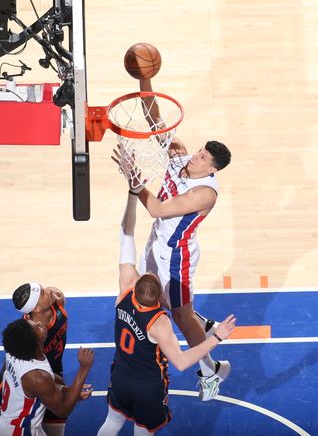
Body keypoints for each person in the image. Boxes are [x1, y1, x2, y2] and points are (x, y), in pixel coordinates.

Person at [117, 75, 232, 401]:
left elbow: (155, 208)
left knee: (179, 316)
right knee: (155, 299)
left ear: (212, 170)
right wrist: (145, 77)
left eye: (204, 158)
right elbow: (155, 118)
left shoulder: (204, 194)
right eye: (199, 151)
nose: (195, 156)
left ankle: (210, 372)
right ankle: (202, 322)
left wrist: (135, 181)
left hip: (176, 256)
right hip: (157, 244)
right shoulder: (180, 155)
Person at [96, 189, 236, 435]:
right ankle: (211, 370)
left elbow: (125, 234)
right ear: (160, 297)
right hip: (147, 388)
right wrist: (217, 337)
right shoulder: (160, 322)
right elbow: (181, 362)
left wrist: (131, 194)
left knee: (111, 424)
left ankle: (203, 329)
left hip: (120, 377)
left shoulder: (125, 289)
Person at [0, 319, 93, 436]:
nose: (39, 323)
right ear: (36, 342)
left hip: (8, 422)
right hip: (23, 430)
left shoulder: (13, 351)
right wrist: (84, 368)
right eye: (37, 327)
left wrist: (69, 391)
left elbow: (46, 382)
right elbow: (63, 410)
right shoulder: (37, 377)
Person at [11, 283, 69, 436]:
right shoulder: (28, 336)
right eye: (42, 293)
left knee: (56, 430)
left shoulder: (58, 299)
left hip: (55, 372)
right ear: (35, 309)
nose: (48, 291)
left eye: (42, 289)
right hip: (37, 380)